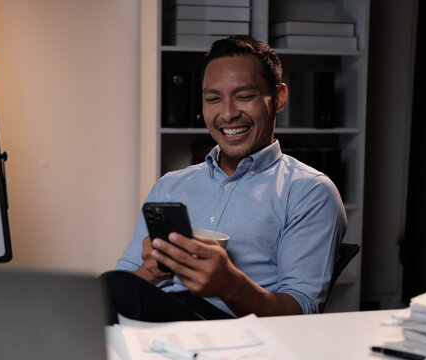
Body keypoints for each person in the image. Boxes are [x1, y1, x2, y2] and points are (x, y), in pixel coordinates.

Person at [103, 35, 347, 323]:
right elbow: (126, 286)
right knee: (103, 290)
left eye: (244, 96)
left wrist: (230, 284)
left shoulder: (309, 191)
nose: (228, 114)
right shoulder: (169, 185)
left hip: (235, 338)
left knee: (103, 292)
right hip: (159, 334)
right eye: (213, 99)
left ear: (278, 98)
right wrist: (152, 272)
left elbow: (302, 314)